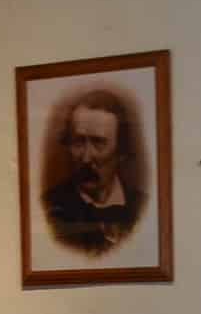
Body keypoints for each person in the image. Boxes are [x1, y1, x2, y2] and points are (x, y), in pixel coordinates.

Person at [42, 89, 146, 255]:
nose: (86, 158)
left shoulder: (143, 209)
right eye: (78, 142)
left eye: (98, 143)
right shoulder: (46, 211)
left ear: (121, 152)